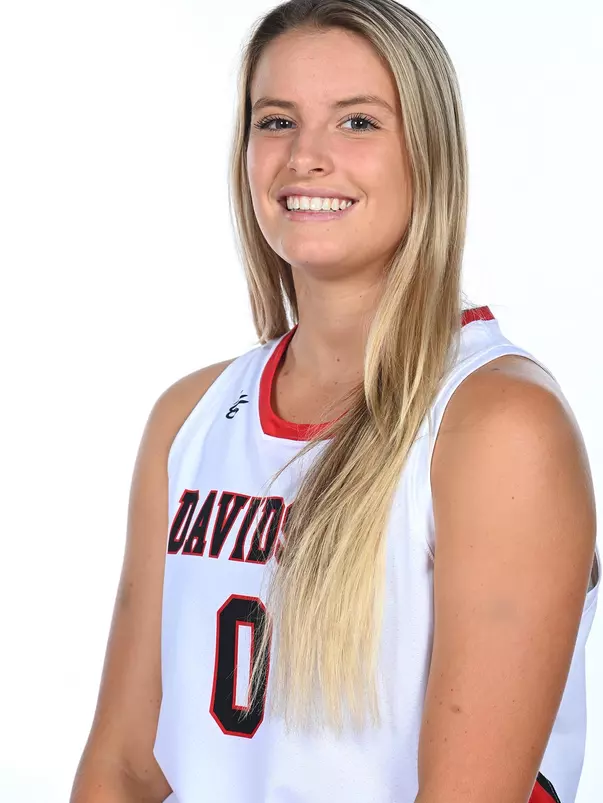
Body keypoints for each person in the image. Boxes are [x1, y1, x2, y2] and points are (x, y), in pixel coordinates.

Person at [70, 1, 600, 802]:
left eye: (356, 122)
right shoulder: (187, 417)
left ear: (429, 155)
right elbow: (126, 766)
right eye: (276, 120)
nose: (305, 157)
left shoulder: (495, 426)